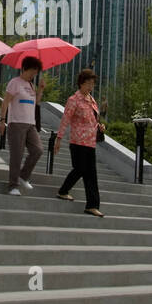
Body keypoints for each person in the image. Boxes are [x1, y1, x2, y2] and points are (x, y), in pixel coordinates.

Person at [53, 68, 104, 216]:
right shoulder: (73, 100)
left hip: (90, 142)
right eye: (88, 83)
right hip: (77, 142)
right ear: (81, 83)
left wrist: (99, 126)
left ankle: (92, 205)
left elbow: (93, 119)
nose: (91, 86)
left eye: (93, 84)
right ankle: (63, 191)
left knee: (91, 174)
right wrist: (59, 138)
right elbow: (65, 120)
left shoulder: (92, 100)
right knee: (80, 169)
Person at [0, 56, 44, 195]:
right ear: (24, 68)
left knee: (38, 150)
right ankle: (13, 185)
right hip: (16, 123)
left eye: (36, 72)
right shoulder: (15, 83)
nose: (34, 74)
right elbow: (5, 102)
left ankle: (23, 176)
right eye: (32, 71)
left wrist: (41, 89)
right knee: (16, 155)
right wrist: (2, 120)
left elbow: (35, 102)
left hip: (31, 124)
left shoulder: (31, 85)